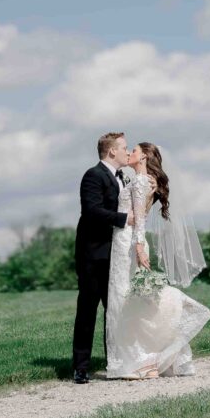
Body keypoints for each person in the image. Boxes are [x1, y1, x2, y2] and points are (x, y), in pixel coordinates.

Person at [105, 141, 210, 380]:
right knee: (130, 299)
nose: (130, 153)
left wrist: (140, 247)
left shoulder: (142, 181)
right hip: (126, 239)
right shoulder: (139, 180)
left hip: (128, 242)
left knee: (123, 299)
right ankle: (145, 358)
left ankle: (140, 360)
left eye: (134, 151)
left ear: (143, 158)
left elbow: (140, 219)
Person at [71, 132, 135, 384]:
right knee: (88, 309)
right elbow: (91, 211)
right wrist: (123, 219)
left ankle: (115, 362)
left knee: (116, 309)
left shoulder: (123, 177)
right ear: (111, 152)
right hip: (93, 254)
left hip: (117, 254)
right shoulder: (93, 175)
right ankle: (81, 366)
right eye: (124, 148)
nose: (127, 152)